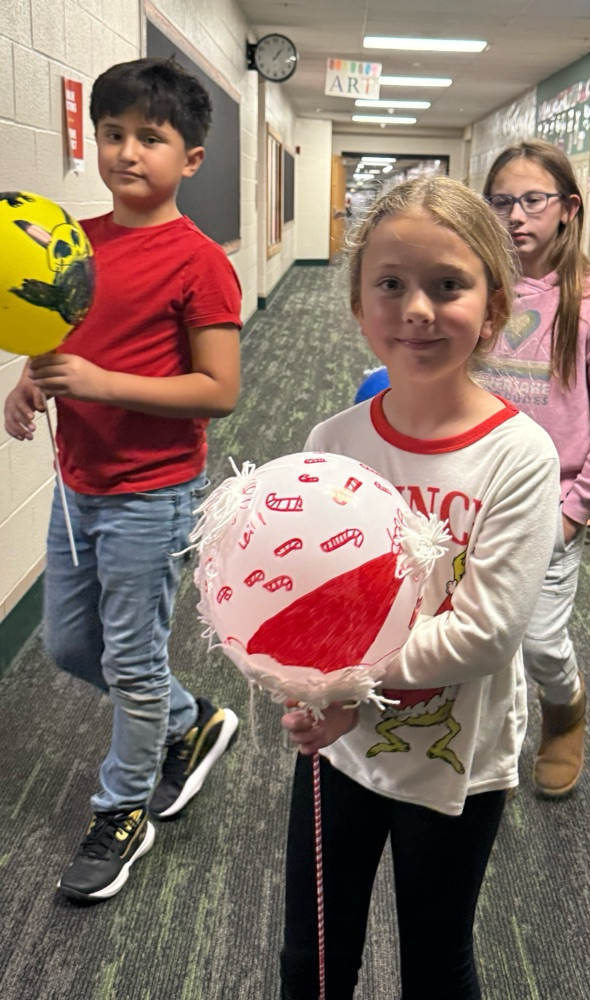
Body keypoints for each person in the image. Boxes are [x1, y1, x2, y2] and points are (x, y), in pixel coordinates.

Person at [279, 176, 561, 1000]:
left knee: (436, 962)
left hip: (458, 757)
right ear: (358, 304)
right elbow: (308, 595)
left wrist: (344, 676)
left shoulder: (519, 456)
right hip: (342, 745)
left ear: (495, 307)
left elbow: (486, 633)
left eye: (448, 284)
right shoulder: (333, 442)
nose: (418, 310)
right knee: (312, 956)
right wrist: (308, 684)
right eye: (391, 284)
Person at [3, 57, 242, 903]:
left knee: (134, 664)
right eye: (113, 134)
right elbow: (54, 333)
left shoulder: (198, 262)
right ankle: (191, 720)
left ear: (192, 158)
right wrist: (30, 380)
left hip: (154, 492)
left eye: (151, 137)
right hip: (79, 484)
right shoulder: (76, 242)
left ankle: (123, 813)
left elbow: (219, 390)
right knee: (70, 646)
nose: (128, 152)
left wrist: (102, 384)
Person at [481, 139, 590, 798]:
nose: (516, 216)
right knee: (475, 630)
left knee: (541, 642)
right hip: (475, 493)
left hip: (551, 505)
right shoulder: (478, 286)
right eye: (501, 202)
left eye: (533, 200)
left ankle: (565, 708)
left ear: (569, 208)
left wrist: (574, 514)